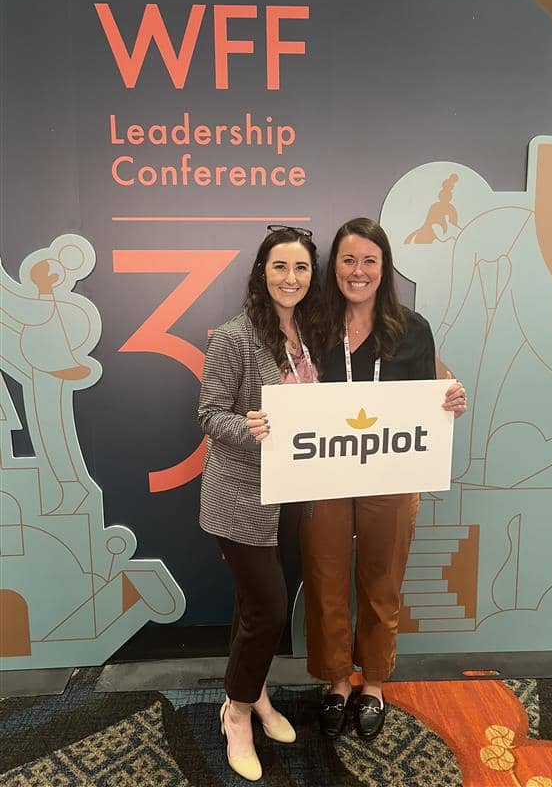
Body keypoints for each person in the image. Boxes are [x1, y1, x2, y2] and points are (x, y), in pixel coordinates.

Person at [299, 217, 467, 741]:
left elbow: (432, 390)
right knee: (326, 578)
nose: (358, 271)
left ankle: (372, 683)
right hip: (324, 471)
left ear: (384, 267)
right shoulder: (312, 326)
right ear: (334, 269)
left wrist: (450, 399)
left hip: (392, 473)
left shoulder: (411, 328)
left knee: (381, 579)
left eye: (369, 260)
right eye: (348, 260)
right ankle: (335, 682)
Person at [197, 225, 321, 781]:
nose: (290, 278)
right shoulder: (235, 335)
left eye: (300, 268)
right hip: (243, 499)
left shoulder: (314, 332)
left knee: (256, 608)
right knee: (269, 609)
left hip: (291, 496)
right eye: (279, 267)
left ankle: (256, 690)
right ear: (261, 272)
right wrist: (252, 430)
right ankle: (238, 712)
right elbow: (209, 415)